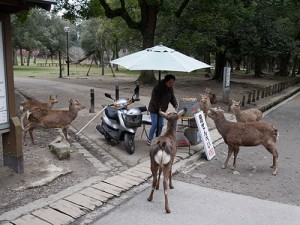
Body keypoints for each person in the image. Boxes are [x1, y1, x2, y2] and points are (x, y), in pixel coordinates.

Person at [147, 74, 178, 145]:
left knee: (160, 125)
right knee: (155, 124)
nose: (172, 84)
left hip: (163, 110)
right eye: (170, 82)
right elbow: (155, 99)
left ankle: (157, 138)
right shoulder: (157, 88)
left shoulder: (170, 88)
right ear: (166, 81)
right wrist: (159, 108)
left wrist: (175, 104)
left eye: (173, 82)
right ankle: (150, 139)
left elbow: (172, 97)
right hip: (154, 109)